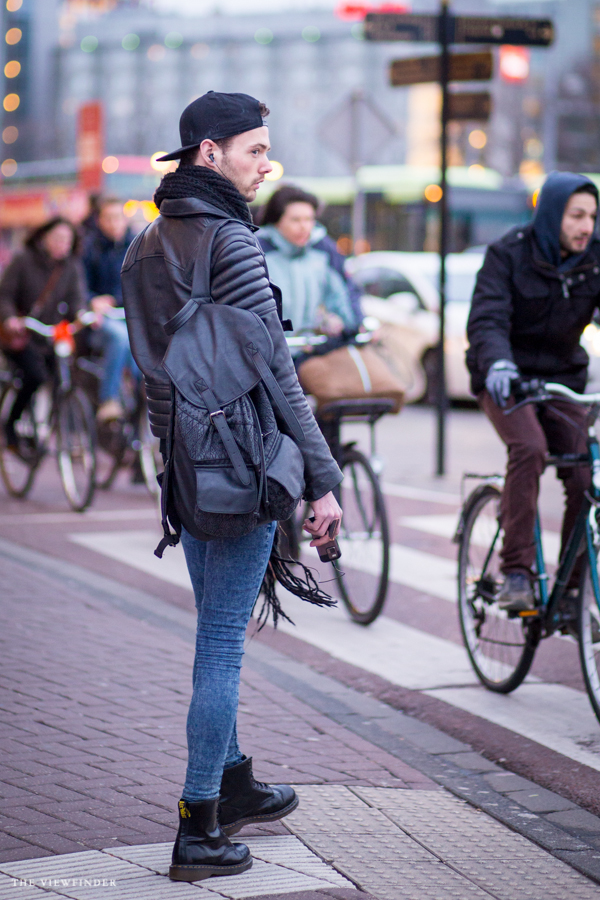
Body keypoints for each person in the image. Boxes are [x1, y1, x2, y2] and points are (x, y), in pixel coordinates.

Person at [121, 91, 343, 883]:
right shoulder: (233, 242)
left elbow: (154, 378)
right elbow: (278, 376)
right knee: (220, 643)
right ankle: (198, 825)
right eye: (254, 149)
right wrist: (322, 477)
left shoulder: (145, 244)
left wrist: (169, 461)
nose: (266, 163)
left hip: (186, 467)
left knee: (217, 630)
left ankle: (235, 779)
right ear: (208, 153)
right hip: (246, 470)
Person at [466, 171, 600, 614]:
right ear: (552, 214)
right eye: (577, 215)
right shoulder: (508, 252)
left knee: (586, 473)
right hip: (507, 377)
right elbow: (487, 319)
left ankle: (571, 588)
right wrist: (498, 363)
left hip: (562, 380)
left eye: (593, 217)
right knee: (530, 448)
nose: (587, 227)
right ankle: (517, 573)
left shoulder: (594, 258)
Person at [0, 217, 86, 449]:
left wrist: (83, 316)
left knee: (64, 373)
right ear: (43, 237)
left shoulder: (70, 266)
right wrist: (10, 319)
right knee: (34, 375)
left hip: (49, 334)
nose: (63, 244)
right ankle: (11, 425)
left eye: (67, 240)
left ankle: (59, 430)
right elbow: (5, 295)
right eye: (58, 238)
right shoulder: (23, 260)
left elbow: (77, 300)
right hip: (21, 334)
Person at [258, 185, 361, 352]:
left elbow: (343, 294)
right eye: (295, 220)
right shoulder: (256, 251)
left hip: (310, 351)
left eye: (309, 219)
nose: (304, 226)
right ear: (276, 222)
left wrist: (347, 323)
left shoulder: (323, 249)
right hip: (269, 357)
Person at [83, 196, 137, 423]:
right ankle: (109, 399)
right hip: (101, 319)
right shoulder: (88, 248)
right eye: (109, 218)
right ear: (99, 221)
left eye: (118, 217)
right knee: (120, 337)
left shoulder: (137, 245)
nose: (114, 223)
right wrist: (92, 301)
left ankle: (144, 395)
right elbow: (78, 287)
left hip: (131, 313)